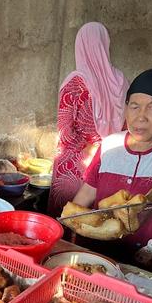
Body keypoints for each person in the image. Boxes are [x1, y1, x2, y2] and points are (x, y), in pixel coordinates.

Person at [73, 68, 152, 278]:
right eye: (134, 106)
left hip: (151, 267)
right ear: (125, 108)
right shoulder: (110, 145)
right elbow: (85, 196)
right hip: (100, 260)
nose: (141, 117)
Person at [48, 22, 129, 217]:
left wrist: (85, 148)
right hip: (109, 160)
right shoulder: (120, 80)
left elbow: (65, 134)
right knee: (95, 220)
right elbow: (127, 126)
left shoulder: (76, 82)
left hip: (75, 165)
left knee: (67, 218)